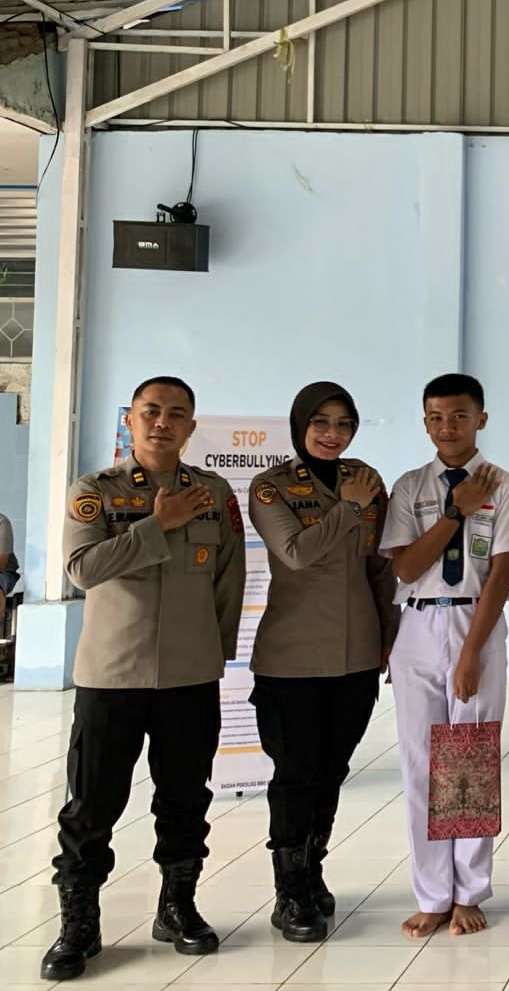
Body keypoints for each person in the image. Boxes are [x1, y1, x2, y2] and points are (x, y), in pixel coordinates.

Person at [42, 377, 245, 981]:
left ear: (190, 427)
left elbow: (228, 578)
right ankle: (79, 923)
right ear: (129, 420)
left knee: (185, 799)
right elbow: (82, 569)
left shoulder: (212, 492)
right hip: (112, 675)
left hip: (189, 675)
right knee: (92, 804)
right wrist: (157, 525)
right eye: (150, 411)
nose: (162, 422)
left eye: (176, 414)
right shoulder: (94, 492)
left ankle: (177, 906)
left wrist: (216, 653)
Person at [380, 373, 509, 939]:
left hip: (476, 623)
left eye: (460, 416)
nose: (448, 427)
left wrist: (470, 654)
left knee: (470, 760)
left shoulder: (505, 486)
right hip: (418, 624)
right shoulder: (410, 487)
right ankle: (432, 893)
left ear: (481, 420)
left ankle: (468, 891)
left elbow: (502, 575)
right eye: (437, 417)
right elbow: (404, 567)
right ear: (425, 423)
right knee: (421, 763)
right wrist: (455, 511)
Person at [248, 381, 399, 943]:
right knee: (295, 774)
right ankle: (289, 893)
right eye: (321, 422)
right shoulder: (271, 487)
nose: (333, 434)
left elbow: (380, 566)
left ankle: (312, 871)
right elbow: (296, 553)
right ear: (300, 426)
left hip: (356, 652)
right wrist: (350, 508)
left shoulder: (368, 480)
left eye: (343, 424)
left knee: (332, 769)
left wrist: (390, 635)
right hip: (292, 655)